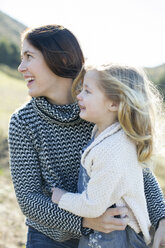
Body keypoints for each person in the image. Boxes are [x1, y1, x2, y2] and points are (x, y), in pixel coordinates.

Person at [8, 24, 165, 248]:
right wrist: (85, 221)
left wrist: (162, 218)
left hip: (108, 238)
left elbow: (137, 171)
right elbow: (29, 199)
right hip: (49, 238)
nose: (21, 66)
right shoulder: (23, 122)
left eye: (29, 56)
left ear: (60, 59)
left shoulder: (98, 109)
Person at [51, 63, 164, 247]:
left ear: (114, 103)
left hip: (117, 238)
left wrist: (61, 197)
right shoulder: (105, 134)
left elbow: (92, 205)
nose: (78, 96)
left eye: (87, 91)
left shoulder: (113, 148)